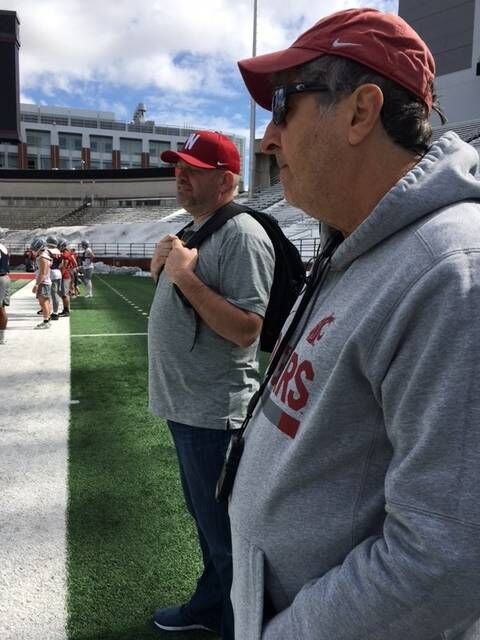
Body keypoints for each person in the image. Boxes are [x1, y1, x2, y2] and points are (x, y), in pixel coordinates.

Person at [229, 7, 480, 640]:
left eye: (284, 106)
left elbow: (445, 561)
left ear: (361, 112)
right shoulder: (363, 245)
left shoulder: (453, 272)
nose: (266, 138)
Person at [148, 130, 275, 639]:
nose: (180, 174)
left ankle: (237, 626)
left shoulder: (241, 234)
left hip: (213, 413)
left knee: (225, 537)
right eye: (178, 166)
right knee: (207, 526)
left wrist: (182, 277)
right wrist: (164, 269)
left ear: (225, 181)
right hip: (187, 407)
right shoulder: (201, 228)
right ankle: (210, 604)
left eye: (193, 169)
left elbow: (247, 327)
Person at [31, 236, 53, 330]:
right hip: (45, 282)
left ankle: (46, 321)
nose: (33, 249)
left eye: (35, 247)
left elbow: (43, 273)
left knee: (43, 302)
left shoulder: (42, 257)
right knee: (45, 302)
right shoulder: (44, 256)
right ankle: (47, 320)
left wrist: (37, 284)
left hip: (44, 282)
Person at [46, 234, 62, 320]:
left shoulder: (47, 251)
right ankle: (55, 311)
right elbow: (61, 264)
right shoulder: (59, 251)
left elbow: (48, 263)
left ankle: (53, 312)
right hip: (58, 272)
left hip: (51, 273)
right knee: (56, 293)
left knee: (50, 294)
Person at [0, 242, 10, 345]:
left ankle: (1, 338)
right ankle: (1, 338)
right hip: (4, 277)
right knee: (1, 307)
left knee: (1, 308)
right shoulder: (3, 246)